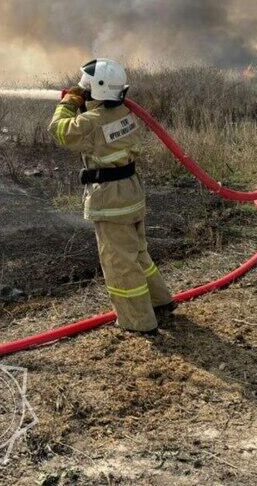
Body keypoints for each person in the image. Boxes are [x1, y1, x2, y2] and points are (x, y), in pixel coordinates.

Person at [48, 59, 174, 334]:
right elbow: (100, 123)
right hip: (131, 191)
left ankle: (138, 322)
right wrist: (84, 101)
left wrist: (69, 102)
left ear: (99, 88)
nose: (83, 90)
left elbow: (58, 131)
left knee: (119, 263)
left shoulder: (92, 121)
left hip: (110, 199)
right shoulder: (123, 112)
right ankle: (159, 301)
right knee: (137, 253)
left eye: (86, 86)